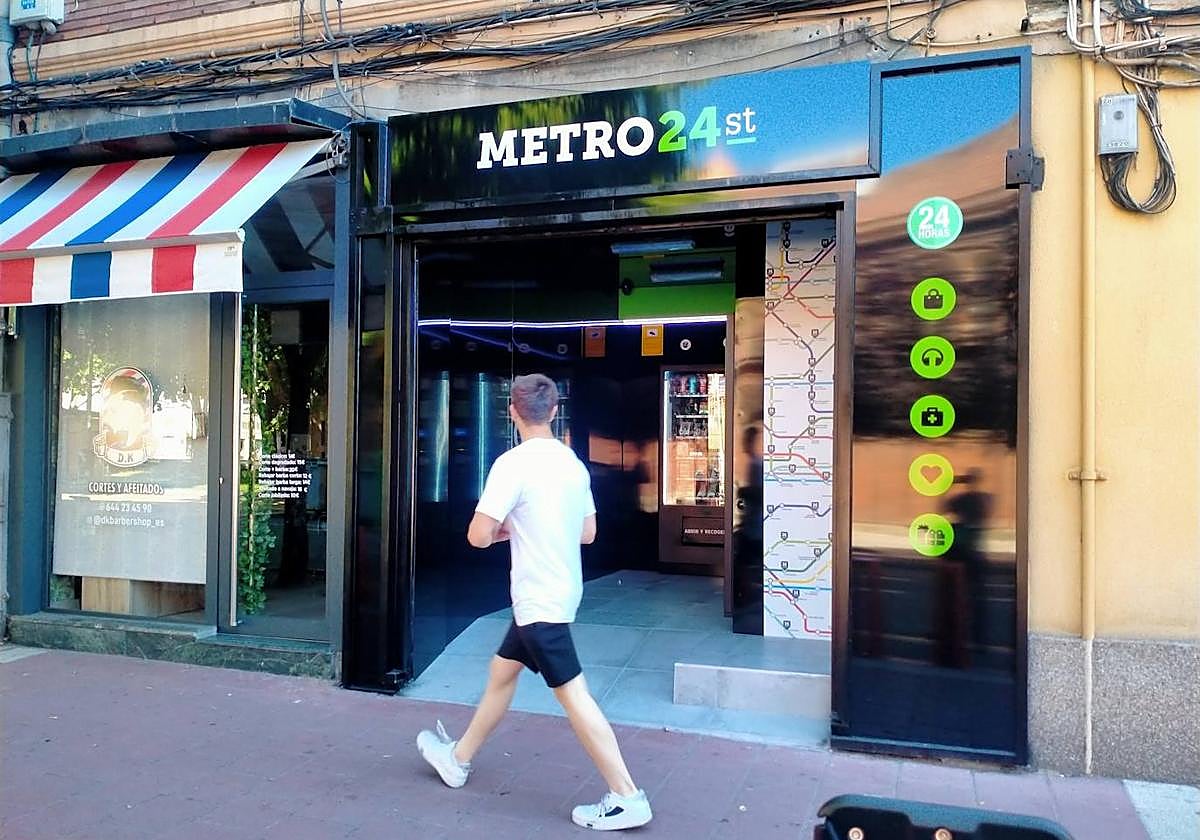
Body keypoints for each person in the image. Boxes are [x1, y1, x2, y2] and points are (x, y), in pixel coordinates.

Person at [416, 373, 653, 831]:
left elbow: (478, 535)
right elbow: (588, 533)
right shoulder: (572, 464)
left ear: (511, 411)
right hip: (560, 593)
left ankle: (627, 795)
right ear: (554, 409)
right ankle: (458, 758)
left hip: (537, 600)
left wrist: (509, 528)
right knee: (502, 672)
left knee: (575, 697)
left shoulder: (512, 464)